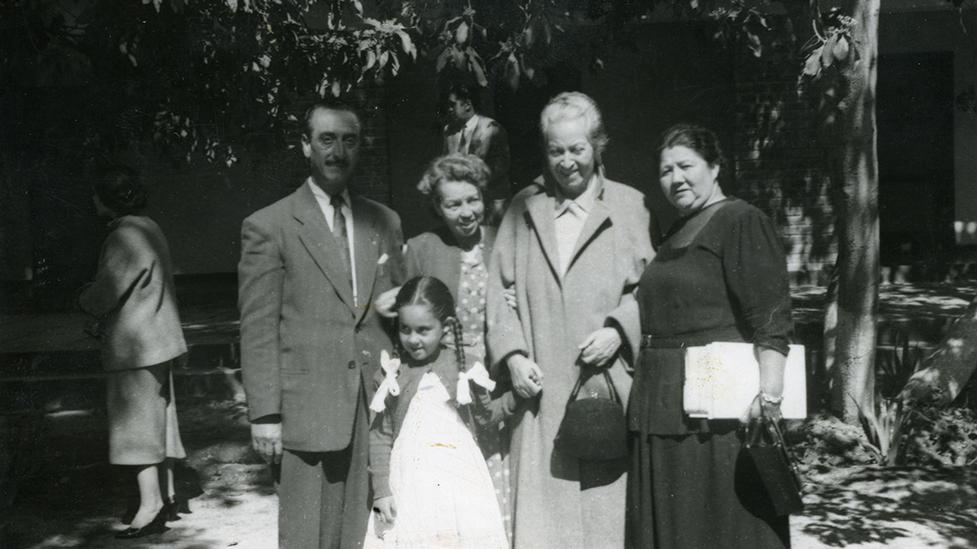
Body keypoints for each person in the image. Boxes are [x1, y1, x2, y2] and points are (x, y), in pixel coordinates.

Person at [486, 91, 654, 549]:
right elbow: (497, 294)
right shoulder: (523, 208)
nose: (566, 162)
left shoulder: (629, 206)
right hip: (539, 395)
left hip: (604, 393)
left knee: (606, 522)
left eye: (577, 148)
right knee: (544, 526)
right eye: (556, 150)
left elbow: (650, 289)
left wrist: (620, 329)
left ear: (598, 146)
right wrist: (514, 357)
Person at [238, 98, 405, 548]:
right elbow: (257, 327)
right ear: (305, 146)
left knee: (361, 534)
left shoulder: (384, 222)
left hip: (372, 406)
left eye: (349, 141)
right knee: (306, 537)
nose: (338, 151)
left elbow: (399, 310)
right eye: (326, 139)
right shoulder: (269, 226)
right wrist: (266, 415)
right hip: (306, 408)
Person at [627, 124, 793, 548]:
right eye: (666, 171)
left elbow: (771, 320)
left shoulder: (741, 220)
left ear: (715, 166)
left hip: (716, 414)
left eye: (686, 166)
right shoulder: (672, 233)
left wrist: (770, 398)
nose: (676, 178)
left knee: (723, 525)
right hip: (661, 404)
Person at [374, 152, 513, 538]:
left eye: (473, 200)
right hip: (444, 390)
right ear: (437, 206)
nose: (466, 212)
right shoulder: (421, 248)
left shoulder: (503, 242)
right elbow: (394, 300)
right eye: (453, 204)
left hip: (491, 383)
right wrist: (387, 301)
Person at [78, 166, 188, 539]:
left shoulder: (122, 236)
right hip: (159, 339)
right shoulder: (148, 227)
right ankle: (168, 496)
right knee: (160, 421)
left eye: (96, 195)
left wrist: (84, 298)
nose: (92, 202)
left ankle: (150, 507)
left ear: (109, 198)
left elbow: (108, 291)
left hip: (135, 347)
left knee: (136, 429)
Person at [367, 276, 512, 548]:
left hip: (459, 478)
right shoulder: (392, 373)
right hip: (410, 481)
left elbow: (486, 416)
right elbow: (380, 436)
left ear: (445, 327)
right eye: (405, 329)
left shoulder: (465, 365)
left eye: (423, 330)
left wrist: (516, 398)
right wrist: (381, 492)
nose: (413, 339)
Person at [443, 84, 511, 223]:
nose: (449, 109)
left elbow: (501, 168)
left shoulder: (491, 129)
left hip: (491, 204)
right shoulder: (449, 131)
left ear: (467, 104)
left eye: (452, 105)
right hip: (461, 204)